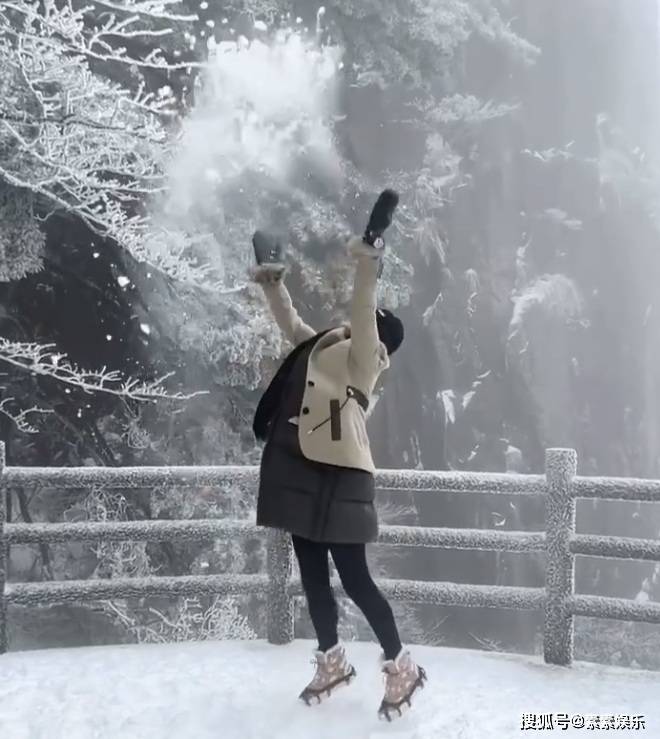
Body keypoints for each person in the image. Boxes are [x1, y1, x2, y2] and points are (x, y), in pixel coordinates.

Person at [250, 209, 426, 722]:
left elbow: (364, 303)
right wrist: (273, 280)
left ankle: (401, 666)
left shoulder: (368, 358)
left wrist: (369, 255)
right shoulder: (327, 345)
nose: (359, 323)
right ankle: (331, 661)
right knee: (311, 576)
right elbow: (292, 326)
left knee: (355, 579)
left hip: (344, 474)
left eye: (370, 324)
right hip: (304, 466)